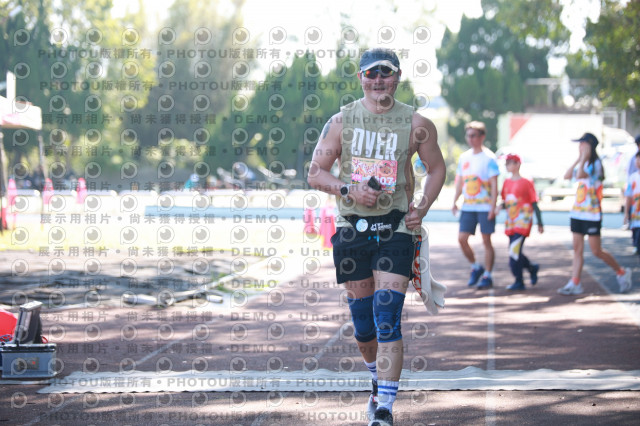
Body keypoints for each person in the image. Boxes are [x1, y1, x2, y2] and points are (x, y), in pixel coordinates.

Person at [307, 47, 446, 426]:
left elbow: (436, 168)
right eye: (371, 73)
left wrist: (423, 206)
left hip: (396, 228)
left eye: (386, 72)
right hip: (352, 229)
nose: (379, 79)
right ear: (361, 78)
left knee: (387, 318)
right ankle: (375, 380)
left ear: (397, 77)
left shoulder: (417, 124)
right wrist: (348, 190)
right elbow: (316, 172)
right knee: (364, 326)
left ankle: (384, 407)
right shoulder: (341, 121)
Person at [558, 132, 632, 295]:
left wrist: (584, 157)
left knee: (596, 251)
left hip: (592, 214)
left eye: (582, 143)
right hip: (578, 213)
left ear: (590, 145)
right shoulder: (582, 162)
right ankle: (575, 282)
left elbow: (580, 175)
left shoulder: (596, 164)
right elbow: (567, 175)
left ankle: (621, 272)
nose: (580, 146)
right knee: (577, 249)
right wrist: (579, 158)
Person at [451, 121, 499, 289]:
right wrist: (455, 201)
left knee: (486, 241)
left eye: (473, 136)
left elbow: (494, 185)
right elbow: (460, 182)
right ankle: (475, 267)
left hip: (485, 207)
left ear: (482, 137)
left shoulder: (489, 158)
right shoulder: (464, 157)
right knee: (462, 239)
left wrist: (493, 207)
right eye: (468, 135)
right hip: (468, 207)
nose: (470, 139)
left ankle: (487, 274)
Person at [494, 153, 543, 290]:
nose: (506, 165)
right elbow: (507, 201)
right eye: (506, 163)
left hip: (523, 222)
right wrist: (499, 207)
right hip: (511, 222)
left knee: (514, 251)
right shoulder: (507, 182)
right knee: (514, 251)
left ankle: (519, 280)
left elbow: (534, 203)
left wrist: (540, 223)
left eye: (509, 162)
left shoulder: (527, 182)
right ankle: (532, 268)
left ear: (518, 164)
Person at [624, 151, 640, 267]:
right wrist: (626, 213)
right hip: (636, 216)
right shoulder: (632, 177)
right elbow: (628, 196)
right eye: (637, 159)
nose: (638, 162)